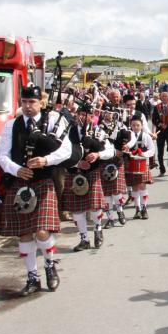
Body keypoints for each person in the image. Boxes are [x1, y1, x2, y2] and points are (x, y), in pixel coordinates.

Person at [0, 85, 72, 295]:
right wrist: (16, 170)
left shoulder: (53, 121)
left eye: (32, 102)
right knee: (25, 234)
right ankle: (32, 277)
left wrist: (46, 160)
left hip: (44, 181)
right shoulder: (12, 125)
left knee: (42, 231)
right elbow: (3, 155)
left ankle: (49, 264)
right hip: (20, 183)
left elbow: (67, 150)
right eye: (24, 102)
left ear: (41, 103)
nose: (28, 106)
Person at [62, 103, 114, 251]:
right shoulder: (68, 131)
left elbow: (110, 151)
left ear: (92, 117)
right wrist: (77, 163)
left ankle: (98, 229)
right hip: (74, 172)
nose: (84, 118)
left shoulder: (98, 131)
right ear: (77, 115)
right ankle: (84, 239)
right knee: (77, 210)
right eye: (82, 114)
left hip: (92, 172)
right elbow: (60, 153)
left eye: (87, 115)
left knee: (95, 206)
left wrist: (98, 154)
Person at [126, 112, 155, 220]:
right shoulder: (128, 136)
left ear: (142, 126)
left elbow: (152, 150)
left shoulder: (146, 136)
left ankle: (144, 208)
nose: (136, 127)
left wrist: (144, 154)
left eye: (138, 125)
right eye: (133, 125)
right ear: (131, 125)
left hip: (143, 163)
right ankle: (137, 209)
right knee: (135, 187)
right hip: (131, 164)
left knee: (142, 186)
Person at [152, 91, 168, 176]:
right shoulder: (157, 107)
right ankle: (162, 169)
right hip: (160, 131)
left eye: (166, 96)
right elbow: (154, 119)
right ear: (160, 97)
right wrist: (159, 124)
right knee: (160, 151)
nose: (164, 98)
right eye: (163, 96)